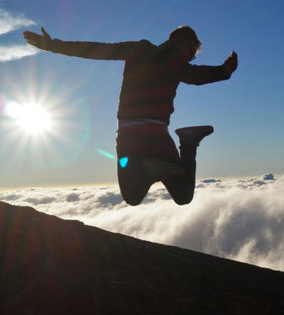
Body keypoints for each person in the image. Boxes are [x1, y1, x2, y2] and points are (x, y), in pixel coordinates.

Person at [23, 26, 238, 206]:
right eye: (192, 51)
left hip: (130, 136)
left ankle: (151, 170)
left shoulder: (139, 50)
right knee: (183, 196)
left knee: (133, 197)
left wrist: (53, 45)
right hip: (159, 138)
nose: (191, 57)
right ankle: (188, 142)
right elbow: (197, 76)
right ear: (180, 42)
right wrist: (225, 71)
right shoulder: (177, 64)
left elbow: (97, 50)